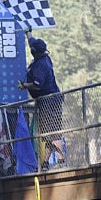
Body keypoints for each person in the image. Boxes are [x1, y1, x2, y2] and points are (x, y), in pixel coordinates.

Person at [18, 31, 65, 168]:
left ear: (35, 52)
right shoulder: (41, 56)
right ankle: (45, 162)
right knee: (46, 134)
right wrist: (28, 34)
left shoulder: (41, 65)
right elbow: (32, 42)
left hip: (50, 102)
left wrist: (24, 85)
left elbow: (38, 85)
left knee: (53, 132)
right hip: (46, 102)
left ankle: (61, 160)